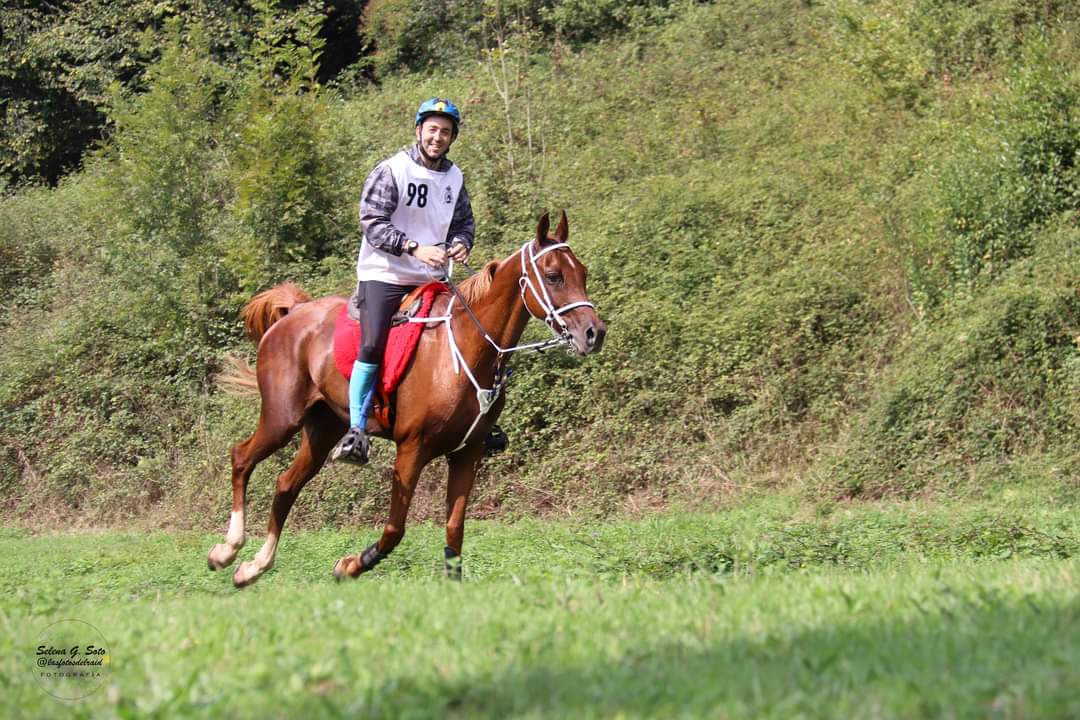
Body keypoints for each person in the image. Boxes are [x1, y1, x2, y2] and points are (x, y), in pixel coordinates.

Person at [333, 98, 474, 465]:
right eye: (432, 129)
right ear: (418, 131)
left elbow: (464, 223)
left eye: (445, 131)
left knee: (473, 331)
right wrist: (414, 248)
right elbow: (372, 221)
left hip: (434, 277)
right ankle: (356, 430)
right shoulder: (392, 170)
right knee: (373, 343)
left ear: (452, 137)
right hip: (386, 275)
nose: (437, 137)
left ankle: (479, 421)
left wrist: (461, 244)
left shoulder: (455, 178)